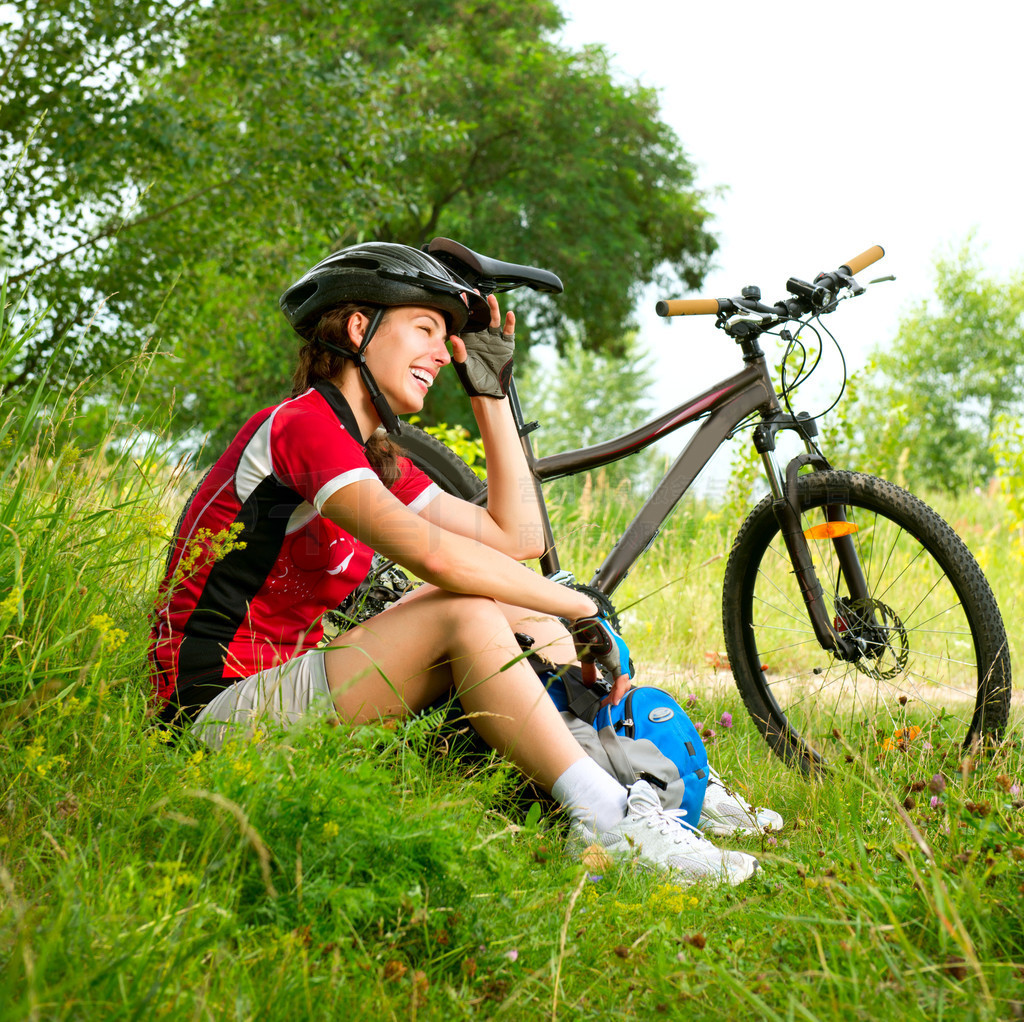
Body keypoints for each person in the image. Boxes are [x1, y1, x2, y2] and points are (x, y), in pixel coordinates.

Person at [150, 242, 774, 885]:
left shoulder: (373, 455)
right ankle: (609, 821)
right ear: (359, 328)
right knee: (469, 610)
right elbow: (434, 556)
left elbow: (517, 536)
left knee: (521, 602)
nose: (440, 354)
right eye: (425, 329)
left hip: (288, 690)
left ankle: (647, 772)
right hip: (213, 714)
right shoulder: (300, 427)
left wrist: (492, 395)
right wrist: (583, 606)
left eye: (446, 339)